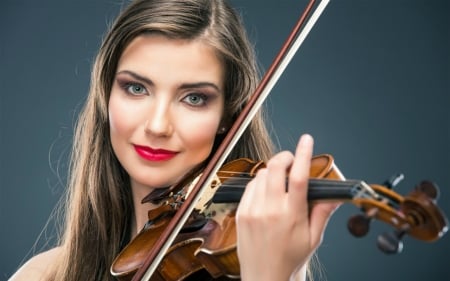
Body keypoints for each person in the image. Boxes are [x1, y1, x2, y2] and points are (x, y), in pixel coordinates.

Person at [10, 0, 339, 280]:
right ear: (106, 96)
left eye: (194, 98)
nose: (157, 125)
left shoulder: (265, 267)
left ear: (228, 115)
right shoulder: (47, 273)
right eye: (136, 88)